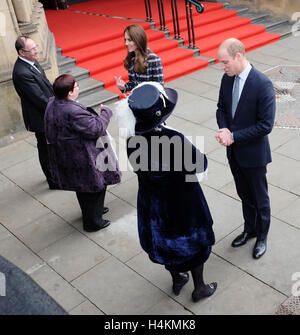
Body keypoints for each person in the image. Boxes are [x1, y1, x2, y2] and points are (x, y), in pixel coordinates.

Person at [118, 82, 217, 302]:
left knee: (164, 245)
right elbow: (199, 165)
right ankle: (199, 287)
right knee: (193, 245)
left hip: (153, 203)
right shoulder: (173, 138)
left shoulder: (132, 140)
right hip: (182, 201)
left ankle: (177, 278)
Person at [216, 38, 275, 259]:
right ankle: (249, 229)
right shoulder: (227, 78)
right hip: (234, 153)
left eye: (225, 62)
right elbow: (221, 108)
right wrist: (223, 129)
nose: (223, 66)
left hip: (254, 155)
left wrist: (234, 136)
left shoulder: (262, 84)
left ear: (238, 56)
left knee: (260, 198)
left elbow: (265, 125)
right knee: (243, 194)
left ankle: (262, 235)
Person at [44, 74, 121, 232]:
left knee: (83, 188)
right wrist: (105, 113)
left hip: (69, 154)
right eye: (76, 86)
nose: (78, 87)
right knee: (95, 187)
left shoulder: (53, 102)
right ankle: (93, 222)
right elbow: (96, 129)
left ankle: (93, 212)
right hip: (82, 156)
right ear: (70, 92)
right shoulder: (72, 110)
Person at [12, 36, 57, 189]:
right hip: (39, 117)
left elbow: (45, 85)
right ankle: (53, 180)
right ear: (21, 52)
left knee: (52, 146)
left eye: (36, 46)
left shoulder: (32, 61)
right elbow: (38, 98)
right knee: (45, 148)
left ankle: (56, 172)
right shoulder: (21, 72)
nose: (37, 51)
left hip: (47, 110)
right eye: (32, 49)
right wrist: (58, 108)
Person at [115, 24, 164, 93]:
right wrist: (124, 87)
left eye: (129, 40)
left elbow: (160, 88)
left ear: (138, 40)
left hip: (150, 101)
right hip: (137, 100)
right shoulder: (132, 58)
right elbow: (133, 84)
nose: (126, 43)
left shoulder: (154, 59)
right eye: (125, 39)